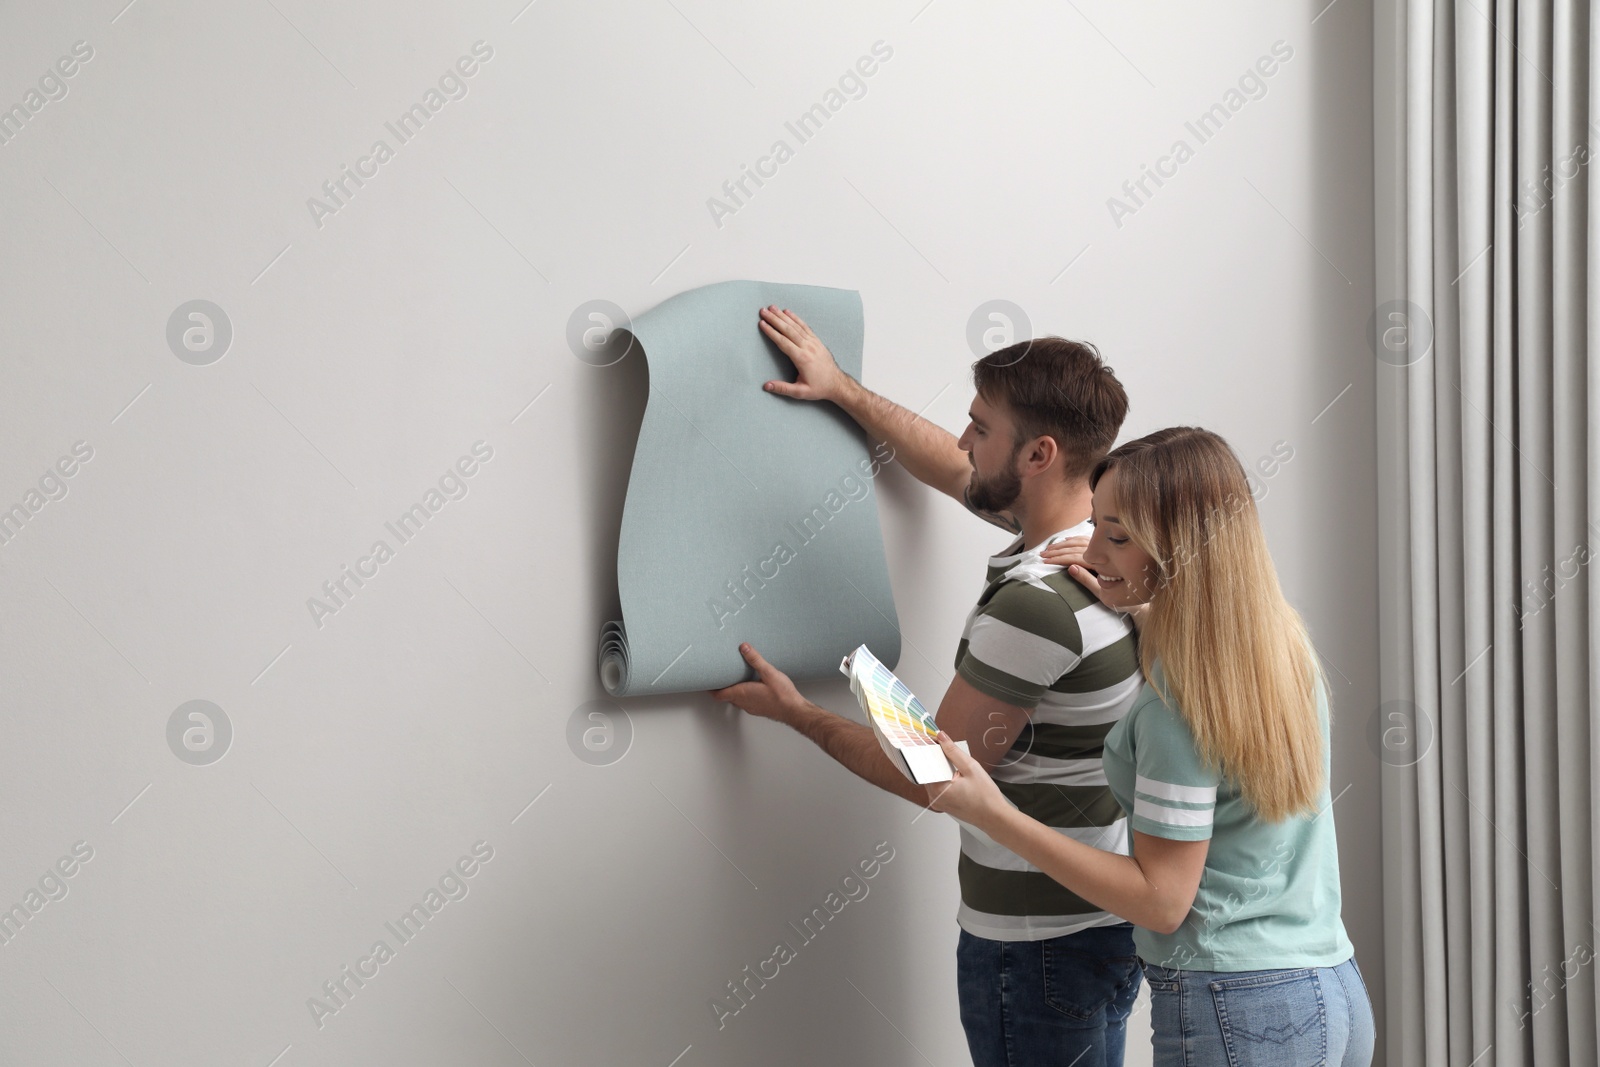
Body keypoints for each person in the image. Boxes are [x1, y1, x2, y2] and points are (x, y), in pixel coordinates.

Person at [711, 306, 1146, 1067]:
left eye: (981, 426)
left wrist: (799, 713)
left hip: (1036, 950)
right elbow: (954, 471)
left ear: (1040, 453)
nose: (963, 439)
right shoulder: (1111, 546)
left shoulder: (1039, 606)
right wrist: (842, 389)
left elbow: (937, 776)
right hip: (1097, 927)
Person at [922, 426, 1376, 1067]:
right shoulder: (1277, 646)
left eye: (1116, 535)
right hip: (1329, 993)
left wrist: (991, 812)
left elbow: (1162, 902)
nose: (1091, 549)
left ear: (1175, 551)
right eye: (1097, 525)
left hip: (1237, 1012)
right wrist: (1137, 595)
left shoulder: (1175, 714)